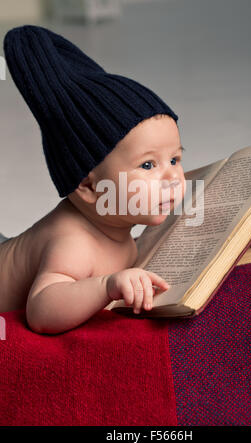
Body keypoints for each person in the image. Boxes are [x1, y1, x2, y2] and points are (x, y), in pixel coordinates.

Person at [0, 25, 186, 334]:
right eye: (149, 164)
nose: (173, 177)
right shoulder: (75, 243)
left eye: (175, 159)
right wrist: (106, 286)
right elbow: (41, 311)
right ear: (88, 187)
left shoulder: (112, 220)